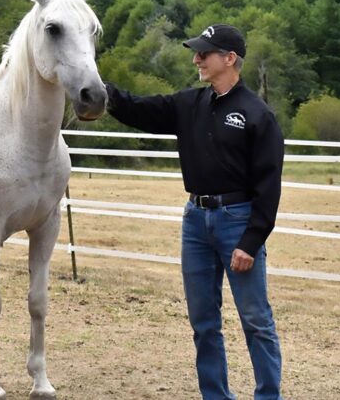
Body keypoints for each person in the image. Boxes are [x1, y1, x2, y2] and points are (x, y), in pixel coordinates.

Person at [104, 24, 284, 400]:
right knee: (204, 322)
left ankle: (268, 395)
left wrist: (251, 242)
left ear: (229, 58)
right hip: (195, 223)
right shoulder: (189, 104)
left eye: (204, 53)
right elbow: (141, 109)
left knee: (255, 320)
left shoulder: (257, 114)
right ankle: (215, 396)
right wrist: (98, 90)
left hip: (238, 220)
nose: (196, 59)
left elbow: (268, 188)